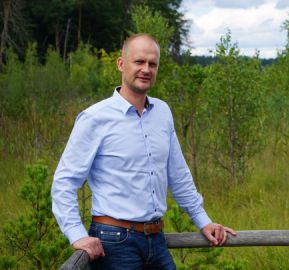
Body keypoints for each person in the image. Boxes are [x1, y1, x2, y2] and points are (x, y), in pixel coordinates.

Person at [51, 33, 235, 270]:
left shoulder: (163, 112)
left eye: (152, 64)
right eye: (139, 62)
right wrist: (76, 234)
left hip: (156, 240)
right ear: (121, 64)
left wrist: (204, 221)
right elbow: (64, 181)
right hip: (114, 242)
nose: (146, 69)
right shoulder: (94, 118)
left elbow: (178, 176)